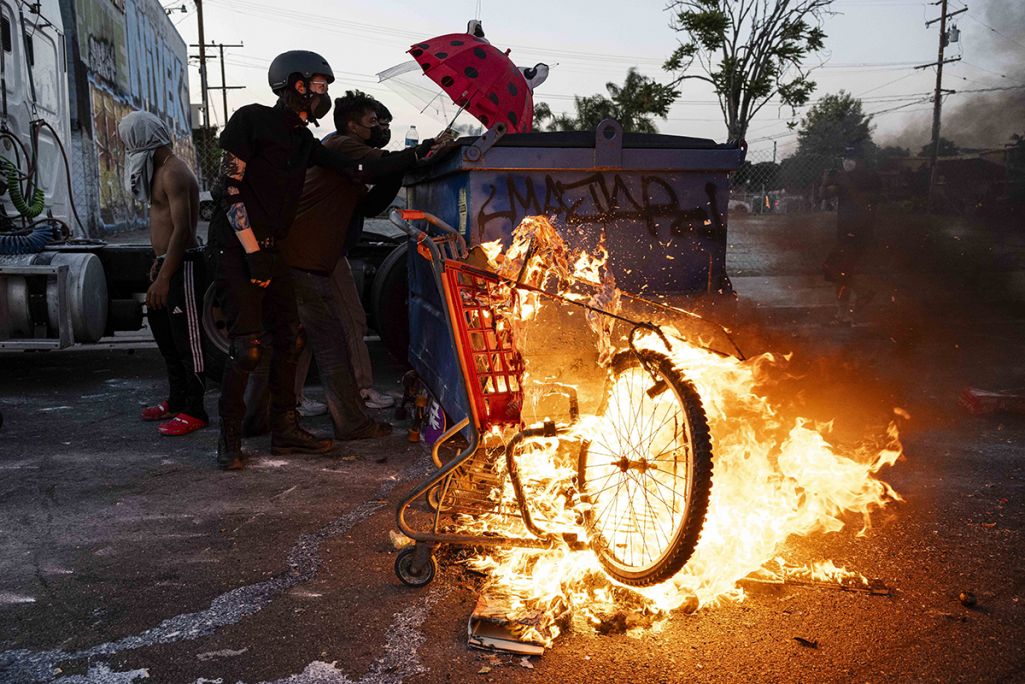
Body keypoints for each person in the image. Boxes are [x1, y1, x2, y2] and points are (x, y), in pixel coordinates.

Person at [209, 50, 366, 471]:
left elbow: (351, 166)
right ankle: (229, 439)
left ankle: (285, 430)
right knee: (246, 350)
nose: (324, 95)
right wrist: (253, 253)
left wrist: (419, 156)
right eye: (321, 86)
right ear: (297, 84)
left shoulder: (302, 140)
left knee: (289, 339)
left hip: (272, 248)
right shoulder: (252, 120)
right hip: (236, 248)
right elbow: (226, 189)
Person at [281, 90, 455, 438]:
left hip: (317, 255)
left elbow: (369, 203)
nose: (378, 128)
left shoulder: (345, 159)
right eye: (372, 122)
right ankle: (349, 418)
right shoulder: (342, 147)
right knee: (336, 336)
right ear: (351, 125)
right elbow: (377, 165)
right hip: (308, 257)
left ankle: (292, 409)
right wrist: (420, 153)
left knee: (313, 334)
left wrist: (399, 168)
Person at [119, 111, 208, 437]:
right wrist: (158, 265)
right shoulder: (159, 171)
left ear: (141, 139)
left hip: (181, 266)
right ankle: (176, 401)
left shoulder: (174, 173)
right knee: (167, 339)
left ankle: (195, 410)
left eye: (127, 138)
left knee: (188, 343)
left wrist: (165, 276)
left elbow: (183, 230)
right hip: (165, 263)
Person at [821, 146, 881, 324]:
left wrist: (843, 183)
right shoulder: (843, 179)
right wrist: (826, 181)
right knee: (839, 270)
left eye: (851, 158)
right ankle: (849, 306)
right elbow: (824, 195)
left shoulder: (869, 178)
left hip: (858, 231)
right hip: (847, 231)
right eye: (844, 158)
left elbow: (869, 200)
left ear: (860, 160)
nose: (847, 162)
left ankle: (845, 311)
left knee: (837, 269)